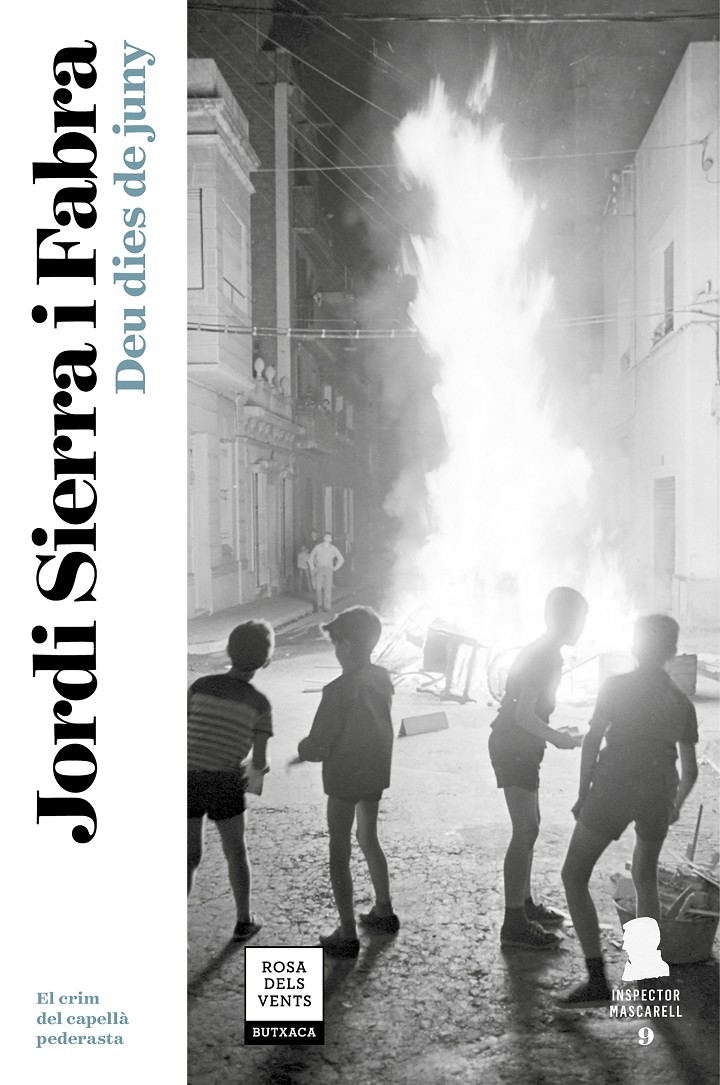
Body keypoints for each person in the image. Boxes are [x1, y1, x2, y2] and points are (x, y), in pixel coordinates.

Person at [559, 614, 698, 1008]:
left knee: (574, 874)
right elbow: (690, 771)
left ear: (635, 646)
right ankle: (647, 974)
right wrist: (674, 806)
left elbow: (592, 741)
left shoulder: (616, 686)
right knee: (644, 876)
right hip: (659, 791)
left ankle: (596, 980)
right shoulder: (681, 701)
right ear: (673, 652)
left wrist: (583, 793)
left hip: (614, 786)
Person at [291, 607, 397, 958]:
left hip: (343, 776)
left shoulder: (337, 690)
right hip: (374, 771)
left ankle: (347, 932)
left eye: (336, 643)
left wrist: (303, 751)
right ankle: (384, 909)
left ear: (347, 645)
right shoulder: (382, 678)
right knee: (368, 837)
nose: (335, 650)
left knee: (339, 851)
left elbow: (319, 743)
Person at [488, 586, 588, 951]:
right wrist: (558, 737)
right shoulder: (545, 657)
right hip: (513, 745)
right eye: (578, 619)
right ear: (559, 619)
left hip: (522, 746)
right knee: (524, 831)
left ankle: (525, 904)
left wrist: (555, 733)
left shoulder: (546, 652)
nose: (581, 627)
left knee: (531, 827)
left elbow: (530, 714)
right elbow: (522, 715)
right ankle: (514, 921)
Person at [187, 621, 274, 942]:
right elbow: (259, 761)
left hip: (187, 777)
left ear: (228, 650)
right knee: (235, 851)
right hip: (225, 781)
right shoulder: (260, 704)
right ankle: (243, 921)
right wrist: (258, 768)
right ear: (265, 661)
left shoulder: (200, 686)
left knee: (188, 857)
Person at [309, 531, 344, 612]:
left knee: (327, 588)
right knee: (318, 588)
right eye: (326, 536)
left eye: (329, 537)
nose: (328, 538)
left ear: (331, 539)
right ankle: (319, 605)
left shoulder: (333, 548)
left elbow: (341, 559)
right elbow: (310, 558)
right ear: (323, 538)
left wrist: (335, 568)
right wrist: (312, 568)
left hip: (328, 569)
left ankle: (327, 606)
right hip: (319, 569)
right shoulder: (317, 547)